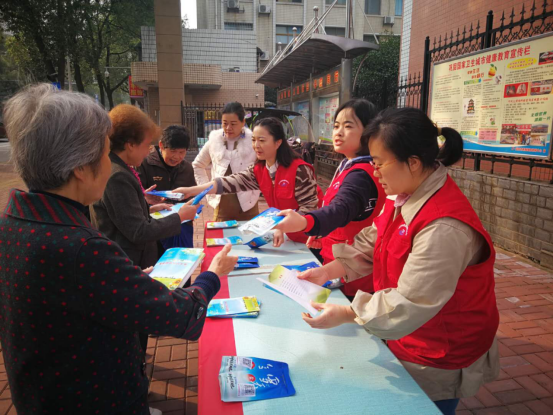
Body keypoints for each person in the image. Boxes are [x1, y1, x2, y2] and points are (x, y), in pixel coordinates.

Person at [0, 84, 237, 414]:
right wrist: (212, 275)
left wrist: (127, 279)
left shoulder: (13, 224)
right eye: (104, 153)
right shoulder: (83, 250)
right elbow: (180, 315)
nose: (110, 165)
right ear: (80, 168)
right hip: (97, 399)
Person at [298, 107, 499, 415]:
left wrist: (349, 312)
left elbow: (412, 300)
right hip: (410, 335)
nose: (374, 172)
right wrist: (329, 270)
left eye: (379, 163)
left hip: (439, 347)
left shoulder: (443, 226)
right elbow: (374, 240)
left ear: (413, 163)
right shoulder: (405, 194)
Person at [274, 99, 384, 296]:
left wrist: (306, 222)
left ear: (369, 131)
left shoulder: (360, 174)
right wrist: (323, 232)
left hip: (353, 278)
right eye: (336, 126)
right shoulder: (350, 166)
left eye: (348, 126)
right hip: (339, 268)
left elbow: (341, 209)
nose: (338, 133)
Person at [175, 117, 322, 245]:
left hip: (312, 238)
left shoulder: (299, 170)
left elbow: (310, 209)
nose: (256, 145)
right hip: (289, 238)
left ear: (278, 143)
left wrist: (281, 227)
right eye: (253, 140)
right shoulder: (259, 170)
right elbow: (227, 183)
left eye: (262, 140)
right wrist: (190, 191)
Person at [90, 104, 197, 269]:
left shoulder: (117, 168)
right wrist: (180, 217)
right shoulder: (117, 176)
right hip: (127, 262)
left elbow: (123, 216)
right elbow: (138, 231)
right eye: (147, 145)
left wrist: (147, 206)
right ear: (131, 144)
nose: (148, 152)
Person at [192, 101, 260, 221]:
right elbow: (198, 165)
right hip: (222, 208)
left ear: (243, 122)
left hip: (249, 206)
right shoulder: (214, 141)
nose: (228, 128)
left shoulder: (253, 143)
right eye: (225, 123)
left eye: (233, 124)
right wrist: (206, 190)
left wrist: (256, 191)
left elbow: (264, 167)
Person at [138, 125, 196, 251]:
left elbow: (192, 196)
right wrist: (149, 205)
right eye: (173, 151)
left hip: (181, 226)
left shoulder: (187, 168)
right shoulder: (144, 164)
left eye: (181, 152)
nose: (177, 157)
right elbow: (136, 198)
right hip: (154, 227)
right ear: (161, 145)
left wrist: (192, 206)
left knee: (182, 259)